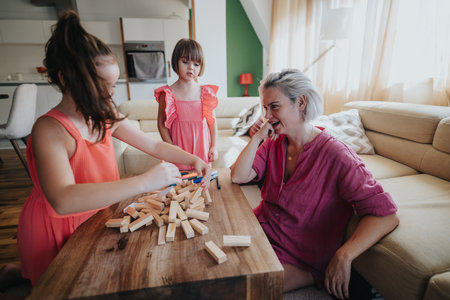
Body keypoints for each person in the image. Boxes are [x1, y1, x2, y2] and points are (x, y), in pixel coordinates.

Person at [16, 11, 211, 286]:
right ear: (64, 78)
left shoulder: (105, 113)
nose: (110, 95)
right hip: (55, 227)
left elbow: (154, 144)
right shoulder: (49, 129)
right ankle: (18, 273)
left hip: (97, 216)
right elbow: (63, 198)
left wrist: (194, 159)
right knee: (56, 285)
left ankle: (16, 273)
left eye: (112, 85)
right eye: (101, 86)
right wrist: (144, 181)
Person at [230, 69, 399, 299]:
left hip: (300, 257)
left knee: (236, 291)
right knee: (212, 267)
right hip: (263, 232)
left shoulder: (336, 155)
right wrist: (258, 136)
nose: (267, 115)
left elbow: (386, 215)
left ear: (300, 102)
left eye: (274, 107)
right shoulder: (274, 143)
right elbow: (238, 176)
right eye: (265, 108)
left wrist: (344, 255)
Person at [155, 38, 219, 170]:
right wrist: (171, 147)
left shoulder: (206, 92)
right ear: (176, 62)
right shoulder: (167, 94)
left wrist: (214, 146)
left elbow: (212, 122)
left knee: (202, 185)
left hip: (202, 146)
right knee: (180, 187)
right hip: (178, 149)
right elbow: (161, 123)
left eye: (196, 64)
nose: (191, 67)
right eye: (185, 62)